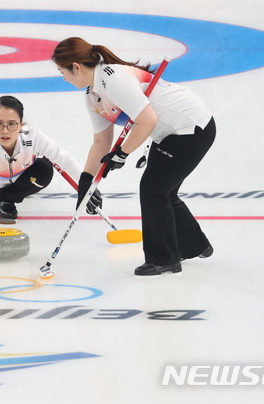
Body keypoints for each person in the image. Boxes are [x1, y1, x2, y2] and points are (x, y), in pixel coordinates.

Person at [52, 37, 215, 276]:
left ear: (75, 67)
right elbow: (101, 142)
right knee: (162, 190)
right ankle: (194, 245)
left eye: (62, 72)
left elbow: (147, 120)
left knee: (154, 190)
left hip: (191, 127)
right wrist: (86, 181)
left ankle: (164, 259)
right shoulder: (92, 95)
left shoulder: (115, 80)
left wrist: (123, 153)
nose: (63, 78)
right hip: (169, 133)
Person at [0, 95, 99, 239]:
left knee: (44, 169)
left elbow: (64, 158)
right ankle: (2, 197)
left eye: (12, 124)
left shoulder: (32, 136)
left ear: (21, 124)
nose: (5, 131)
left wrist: (87, 184)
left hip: (23, 177)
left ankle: (7, 198)